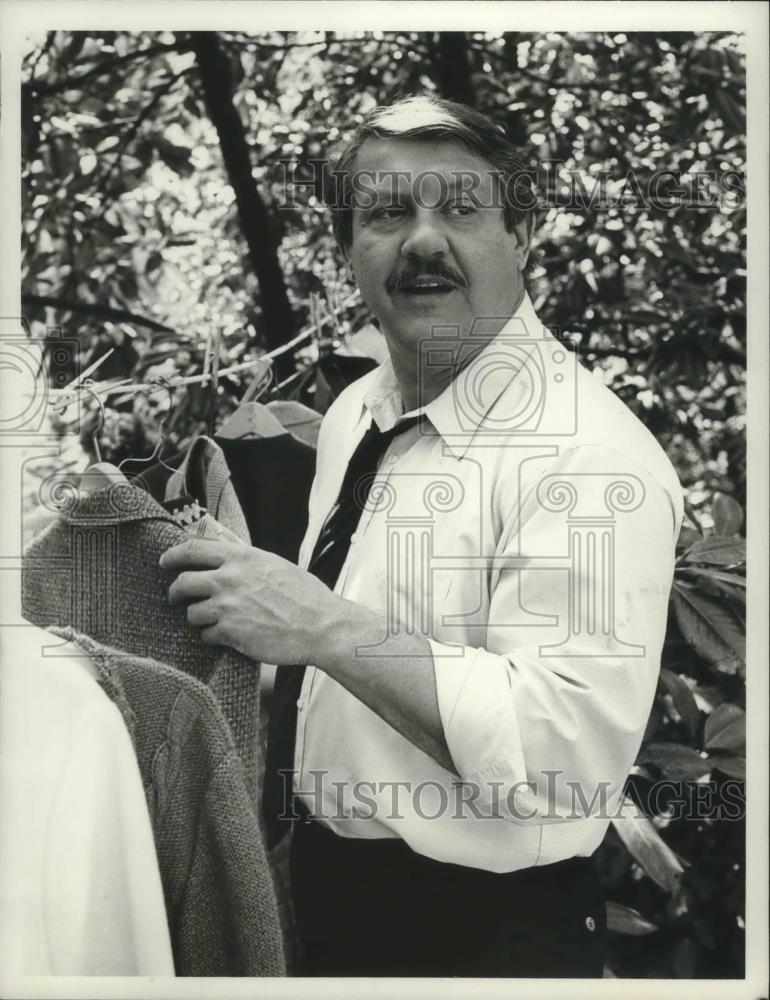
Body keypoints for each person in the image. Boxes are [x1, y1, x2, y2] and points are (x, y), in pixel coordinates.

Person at [160, 95, 683, 978]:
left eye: (461, 210)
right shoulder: (358, 411)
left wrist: (321, 624)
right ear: (349, 249)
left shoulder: (590, 455)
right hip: (326, 890)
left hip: (483, 937)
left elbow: (560, 760)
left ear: (522, 236)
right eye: (388, 213)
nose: (423, 241)